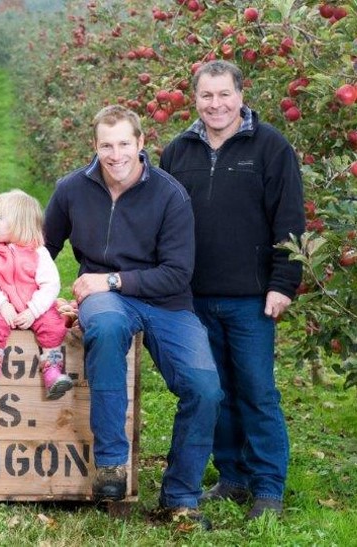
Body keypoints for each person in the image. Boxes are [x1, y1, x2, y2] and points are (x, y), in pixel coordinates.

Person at [44, 105, 223, 528]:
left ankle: (180, 496)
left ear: (142, 144)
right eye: (107, 144)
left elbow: (178, 272)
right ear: (95, 146)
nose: (116, 154)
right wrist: (16, 288)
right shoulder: (71, 189)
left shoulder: (169, 194)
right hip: (107, 301)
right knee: (104, 327)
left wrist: (112, 281)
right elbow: (43, 251)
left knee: (205, 389)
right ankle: (111, 462)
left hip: (165, 301)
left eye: (125, 143)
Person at [160, 60, 305, 520]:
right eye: (207, 96)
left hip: (252, 296)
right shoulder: (177, 151)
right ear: (195, 98)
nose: (216, 104)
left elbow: (289, 220)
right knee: (216, 390)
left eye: (224, 95)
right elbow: (160, 220)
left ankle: (268, 487)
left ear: (241, 95)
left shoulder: (270, 147)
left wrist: (283, 283)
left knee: (257, 391)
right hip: (193, 296)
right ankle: (233, 477)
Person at [0, 189, 73, 400]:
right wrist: (1, 304)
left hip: (34, 308)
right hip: (5, 308)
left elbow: (50, 285)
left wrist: (33, 311)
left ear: (19, 225)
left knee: (53, 326)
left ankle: (52, 372)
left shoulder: (39, 254)